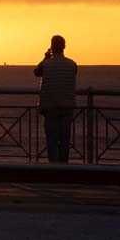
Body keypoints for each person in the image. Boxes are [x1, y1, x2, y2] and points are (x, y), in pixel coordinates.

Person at [34, 35, 78, 163]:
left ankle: (53, 166)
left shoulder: (46, 64)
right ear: (64, 46)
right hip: (67, 105)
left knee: (51, 138)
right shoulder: (72, 64)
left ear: (52, 47)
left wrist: (45, 58)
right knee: (65, 138)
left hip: (50, 106)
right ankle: (63, 165)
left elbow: (36, 72)